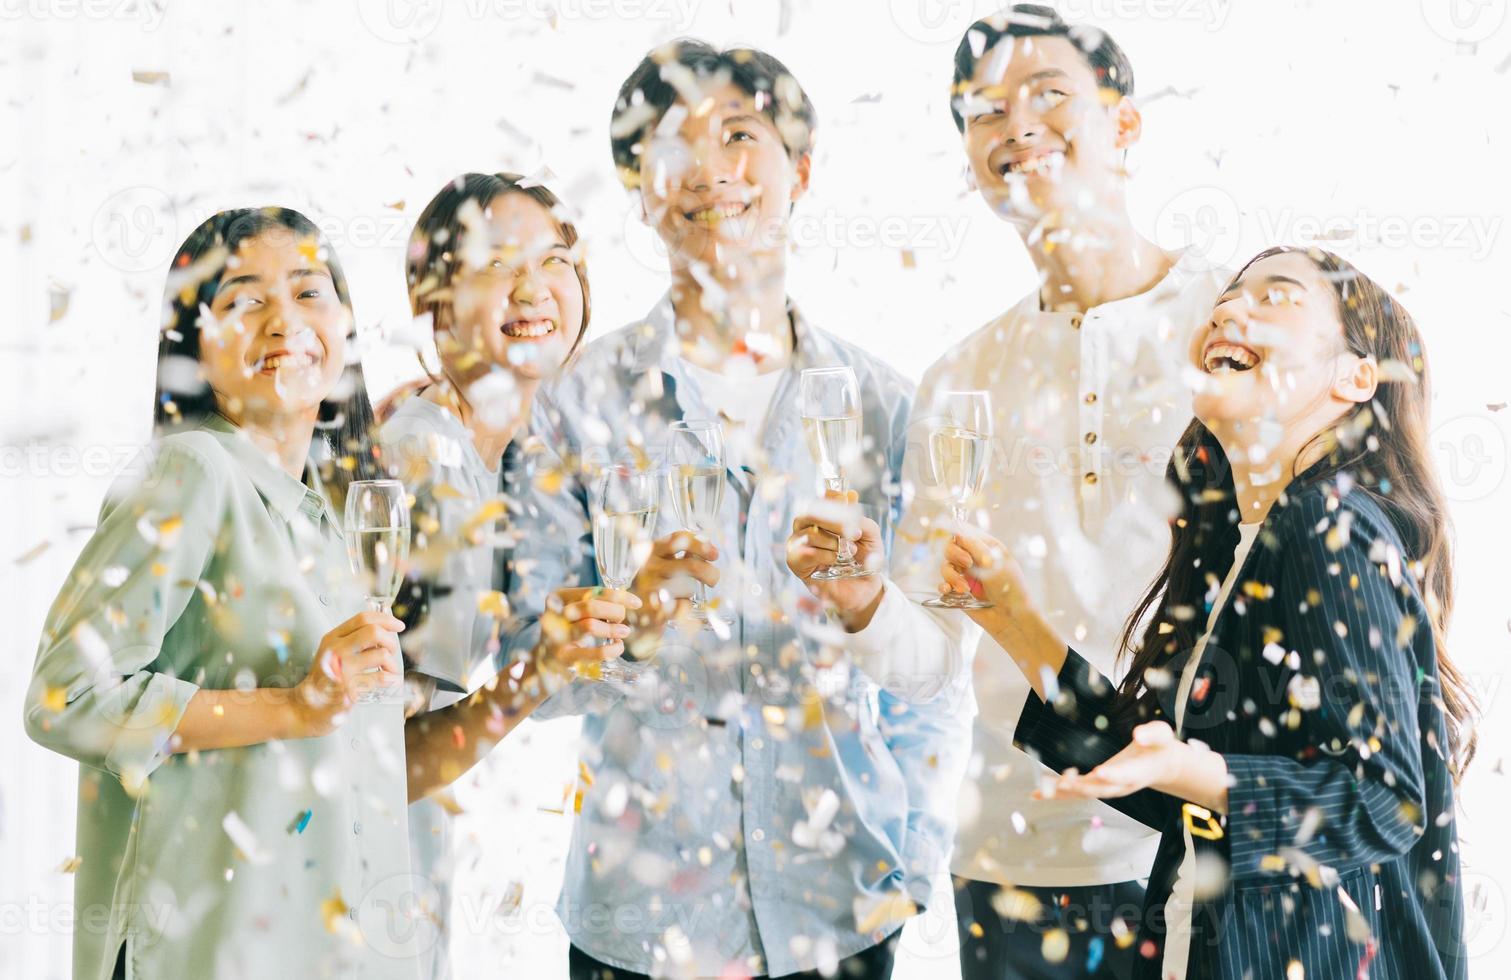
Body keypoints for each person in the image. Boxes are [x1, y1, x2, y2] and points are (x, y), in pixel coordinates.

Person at [507, 39, 970, 979]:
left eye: (740, 135)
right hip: (639, 916)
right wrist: (630, 632)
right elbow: (526, 670)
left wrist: (913, 862)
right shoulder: (574, 406)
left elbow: (935, 673)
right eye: (671, 142)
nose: (709, 168)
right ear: (639, 189)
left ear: (798, 169)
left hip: (844, 906)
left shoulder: (884, 405)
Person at [787, 7, 1227, 976]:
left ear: (1125, 124)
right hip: (1010, 856)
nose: (1013, 122)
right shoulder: (958, 379)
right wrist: (864, 601)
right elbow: (930, 662)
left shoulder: (1229, 326)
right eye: (983, 110)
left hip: (1205, 845)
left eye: (1046, 92)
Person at [941, 247, 1476, 978]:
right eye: (1226, 298)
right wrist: (1008, 618)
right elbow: (1171, 788)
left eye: (1276, 298)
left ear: (1357, 376)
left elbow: (1383, 802)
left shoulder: (1328, 527)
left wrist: (1204, 773)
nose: (1228, 311)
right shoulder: (1249, 542)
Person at [24, 207, 422, 979]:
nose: (285, 321)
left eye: (310, 293)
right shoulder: (193, 472)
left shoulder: (331, 517)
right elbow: (62, 697)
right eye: (244, 300)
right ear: (193, 343)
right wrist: (293, 706)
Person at [377, 172, 637, 979]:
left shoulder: (520, 455)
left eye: (556, 260)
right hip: (354, 856)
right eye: (497, 265)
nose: (534, 290)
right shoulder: (431, 457)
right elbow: (397, 747)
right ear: (436, 301)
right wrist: (539, 669)